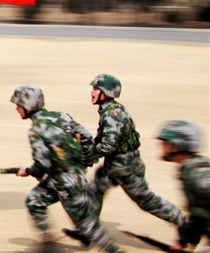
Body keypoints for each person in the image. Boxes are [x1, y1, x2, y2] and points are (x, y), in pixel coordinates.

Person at [9, 85, 134, 253]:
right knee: (34, 200)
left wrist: (28, 171)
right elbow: (85, 136)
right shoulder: (61, 116)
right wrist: (85, 161)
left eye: (18, 105)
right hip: (67, 177)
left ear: (28, 105)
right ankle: (47, 245)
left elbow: (42, 164)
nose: (16, 108)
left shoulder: (36, 130)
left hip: (65, 183)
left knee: (87, 225)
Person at [74, 74, 185, 234]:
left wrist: (87, 154)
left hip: (125, 167)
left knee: (146, 200)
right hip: (115, 165)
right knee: (95, 189)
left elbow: (108, 146)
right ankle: (88, 230)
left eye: (96, 89)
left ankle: (183, 222)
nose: (92, 92)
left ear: (105, 92)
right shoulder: (109, 110)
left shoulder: (112, 114)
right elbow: (101, 139)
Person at [156, 120, 210, 253]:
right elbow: (199, 214)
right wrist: (185, 240)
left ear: (177, 145)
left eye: (165, 142)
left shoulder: (197, 174)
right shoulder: (194, 168)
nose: (162, 146)